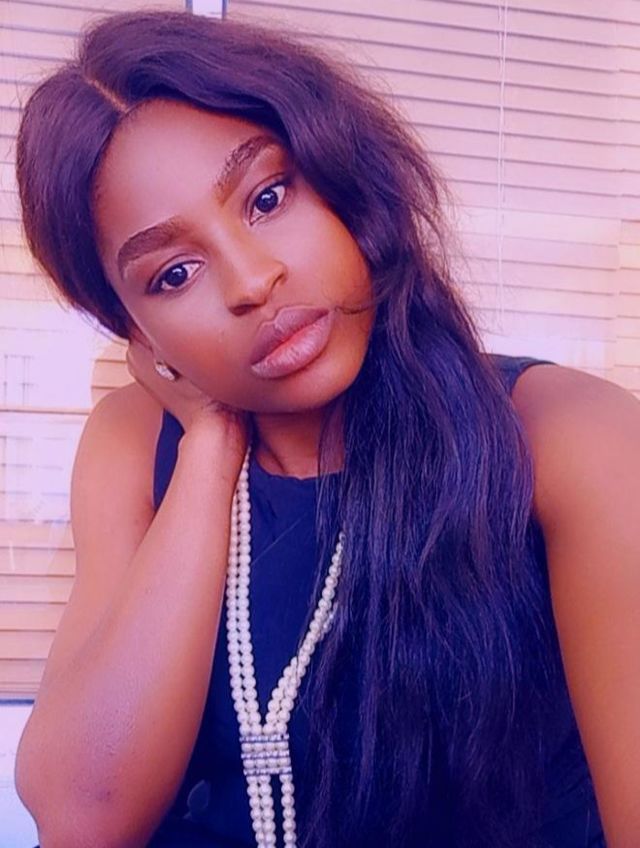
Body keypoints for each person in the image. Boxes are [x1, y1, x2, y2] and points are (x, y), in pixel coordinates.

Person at [11, 9, 640, 848]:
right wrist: (211, 443)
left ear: (343, 176)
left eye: (268, 197)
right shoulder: (135, 443)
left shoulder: (568, 438)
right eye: (174, 273)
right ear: (134, 328)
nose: (251, 281)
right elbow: (83, 817)